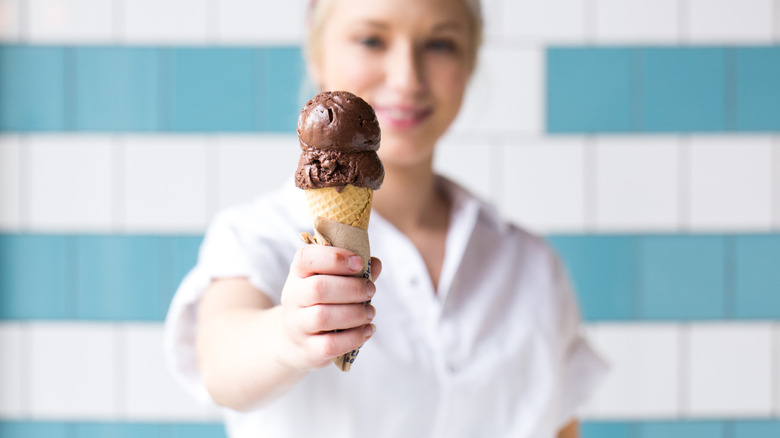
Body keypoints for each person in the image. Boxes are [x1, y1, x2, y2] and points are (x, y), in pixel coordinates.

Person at [164, 0, 607, 436]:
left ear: (470, 59)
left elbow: (559, 426)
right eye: (372, 39)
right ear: (317, 50)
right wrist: (289, 334)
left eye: (440, 44)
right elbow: (222, 359)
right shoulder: (256, 237)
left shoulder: (529, 265)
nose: (407, 77)